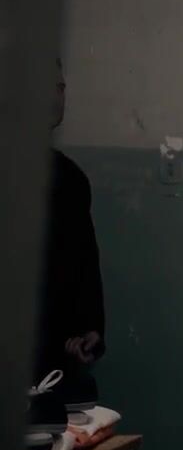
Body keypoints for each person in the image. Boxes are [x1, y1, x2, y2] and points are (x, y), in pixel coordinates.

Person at [36, 60, 106, 399]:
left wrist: (89, 328)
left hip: (52, 359)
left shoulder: (70, 179)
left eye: (61, 87)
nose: (57, 96)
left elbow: (84, 265)